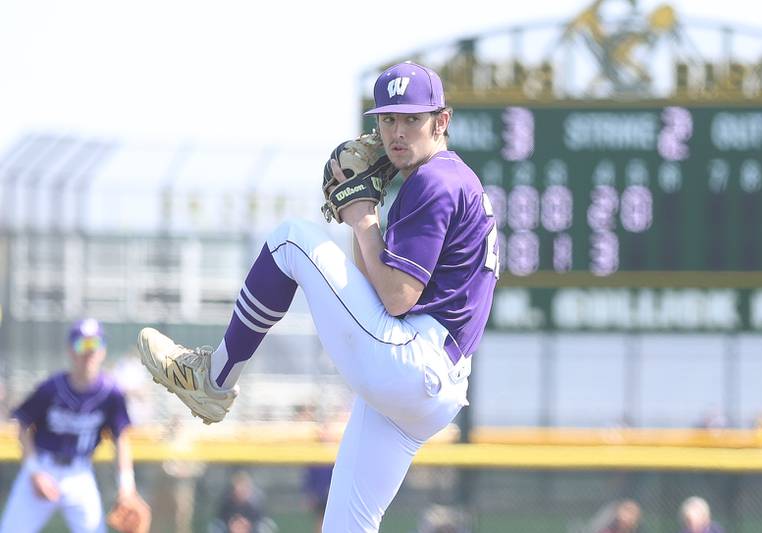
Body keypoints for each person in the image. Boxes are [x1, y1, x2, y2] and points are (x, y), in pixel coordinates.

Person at [136, 60, 499, 532]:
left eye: (413, 118)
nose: (397, 132)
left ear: (441, 121)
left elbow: (397, 297)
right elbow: (377, 289)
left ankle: (214, 378)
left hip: (414, 362)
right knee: (345, 525)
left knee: (291, 240)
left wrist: (363, 216)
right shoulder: (451, 178)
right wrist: (361, 215)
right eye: (388, 119)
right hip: (430, 383)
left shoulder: (435, 180)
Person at [0, 318, 138, 533]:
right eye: (82, 344)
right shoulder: (52, 388)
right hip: (43, 468)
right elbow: (23, 424)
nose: (89, 352)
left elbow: (121, 438)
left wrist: (127, 486)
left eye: (95, 344)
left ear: (103, 349)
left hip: (80, 473)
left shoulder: (112, 394)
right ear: (70, 349)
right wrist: (34, 471)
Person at [209, 470, 277, 533]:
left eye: (244, 488)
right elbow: (221, 518)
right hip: (230, 527)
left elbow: (260, 519)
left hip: (252, 528)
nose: (241, 491)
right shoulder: (226, 500)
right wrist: (233, 525)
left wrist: (247, 526)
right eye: (238, 488)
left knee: (265, 527)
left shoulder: (256, 502)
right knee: (216, 527)